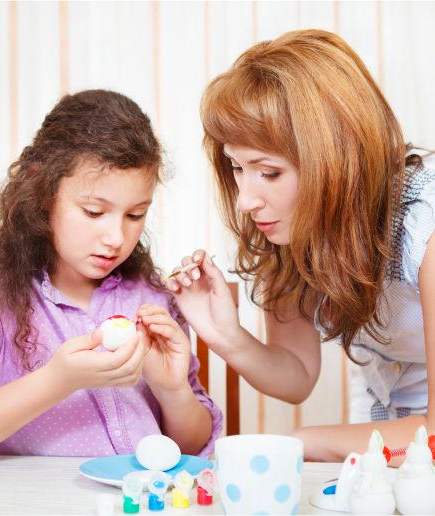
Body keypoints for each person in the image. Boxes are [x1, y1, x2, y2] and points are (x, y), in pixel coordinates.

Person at [0, 90, 221, 467]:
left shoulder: (150, 293)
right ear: (43, 190)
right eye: (93, 212)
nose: (116, 238)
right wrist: (57, 381)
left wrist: (173, 391)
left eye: (135, 215)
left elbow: (191, 448)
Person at [166, 30, 434, 463]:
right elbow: (298, 374)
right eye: (237, 166)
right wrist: (225, 336)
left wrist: (303, 442)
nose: (245, 201)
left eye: (269, 173)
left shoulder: (426, 222)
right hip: (385, 428)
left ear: (338, 162)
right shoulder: (288, 229)